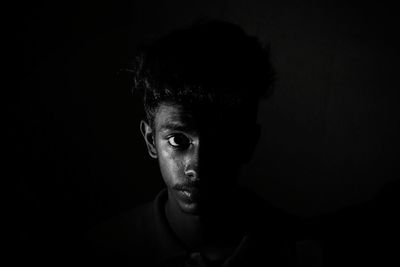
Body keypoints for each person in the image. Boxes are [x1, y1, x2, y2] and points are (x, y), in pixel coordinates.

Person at [85, 20, 301, 267]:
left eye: (221, 142)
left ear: (248, 143)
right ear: (150, 140)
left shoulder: (298, 251)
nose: (196, 166)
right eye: (178, 140)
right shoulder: (103, 251)